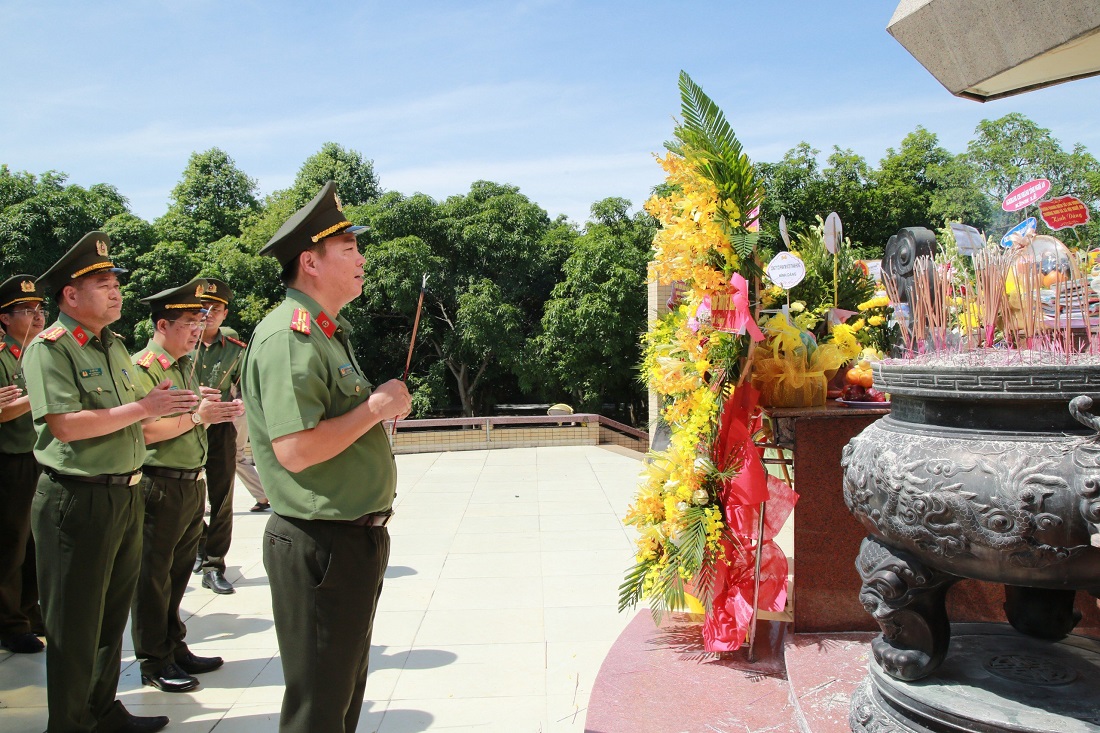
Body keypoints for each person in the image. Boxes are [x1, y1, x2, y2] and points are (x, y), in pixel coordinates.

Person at [242, 181, 411, 733]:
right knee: (319, 708)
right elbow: (294, 451)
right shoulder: (291, 338)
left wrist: (372, 411)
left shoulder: (324, 333)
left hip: (348, 539)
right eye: (348, 250)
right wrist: (375, 407)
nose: (362, 260)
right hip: (321, 543)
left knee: (338, 700)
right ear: (310, 262)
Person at [23, 232, 199, 733]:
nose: (115, 291)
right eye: (102, 283)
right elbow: (66, 424)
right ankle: (71, 723)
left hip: (124, 491)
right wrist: (146, 407)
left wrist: (159, 404)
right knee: (75, 627)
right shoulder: (50, 349)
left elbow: (133, 418)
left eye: (115, 282)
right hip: (76, 497)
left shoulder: (115, 346)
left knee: (107, 622)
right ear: (70, 296)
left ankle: (102, 712)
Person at [130, 279, 244, 692]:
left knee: (177, 575)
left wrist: (211, 408)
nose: (199, 329)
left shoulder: (183, 366)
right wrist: (199, 416)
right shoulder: (142, 368)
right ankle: (152, 659)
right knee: (152, 578)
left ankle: (174, 646)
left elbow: (193, 413)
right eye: (189, 323)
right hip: (158, 484)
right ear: (163, 324)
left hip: (189, 483)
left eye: (201, 321)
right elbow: (143, 431)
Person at [191, 278, 249, 593]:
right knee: (185, 497)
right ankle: (200, 539)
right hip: (184, 428)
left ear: (225, 314)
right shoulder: (180, 345)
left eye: (216, 308)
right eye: (202, 307)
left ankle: (214, 565)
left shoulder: (237, 351)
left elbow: (248, 387)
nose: (208, 313)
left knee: (222, 498)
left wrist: (240, 403)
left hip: (221, 429)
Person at [0, 275, 47, 655]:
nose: (36, 316)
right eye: (26, 310)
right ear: (4, 318)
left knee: (35, 541)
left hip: (37, 455)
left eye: (39, 309)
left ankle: (30, 611)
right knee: (11, 544)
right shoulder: (2, 354)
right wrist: (39, 395)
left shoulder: (39, 351)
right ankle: (10, 622)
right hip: (10, 459)